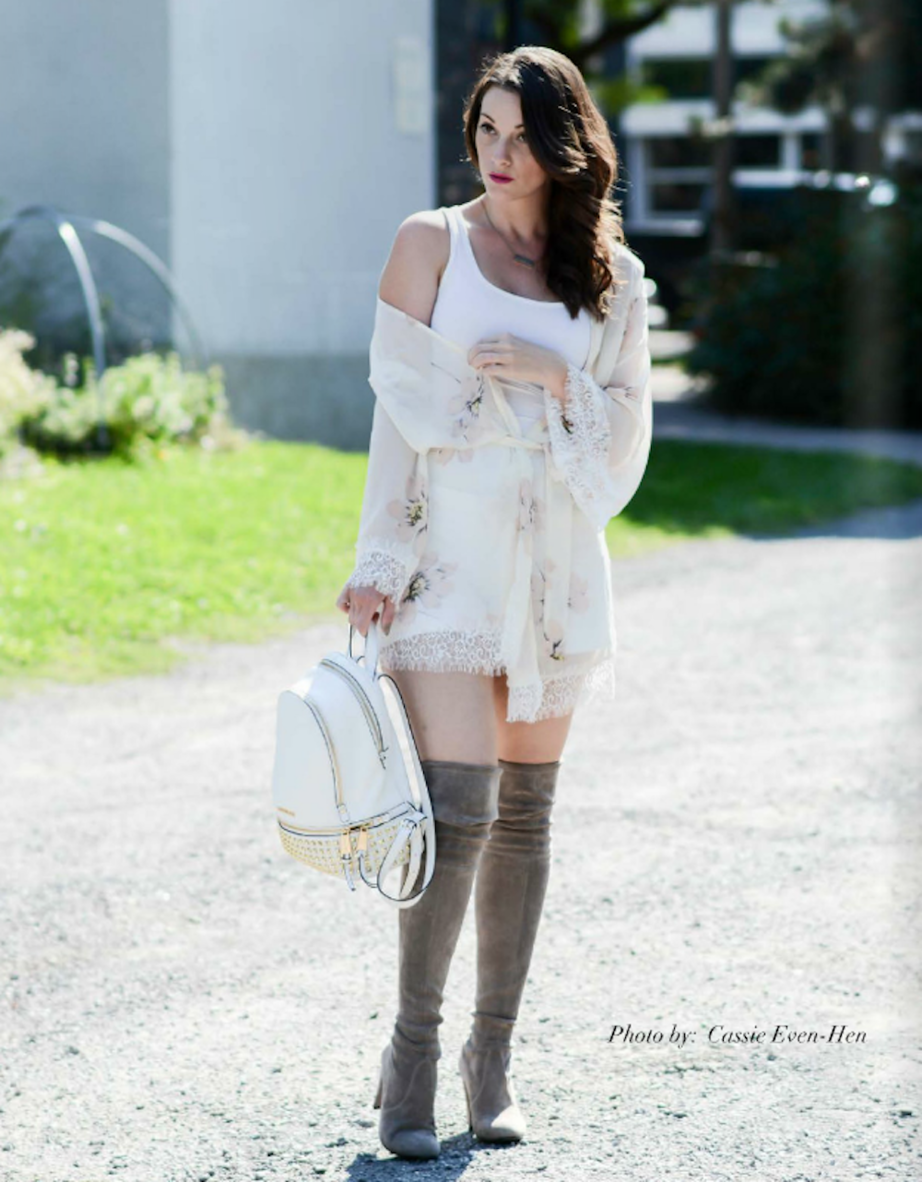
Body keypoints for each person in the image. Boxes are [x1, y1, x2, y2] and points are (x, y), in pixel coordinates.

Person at [335, 45, 653, 1160]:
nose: (500, 155)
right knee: (457, 808)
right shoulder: (429, 243)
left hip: (555, 572)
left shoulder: (610, 273)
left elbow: (624, 443)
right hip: (448, 561)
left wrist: (559, 379)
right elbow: (395, 416)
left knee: (524, 817)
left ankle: (494, 1062)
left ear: (567, 145)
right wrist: (378, 558)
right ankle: (411, 1062)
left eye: (522, 136)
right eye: (486, 131)